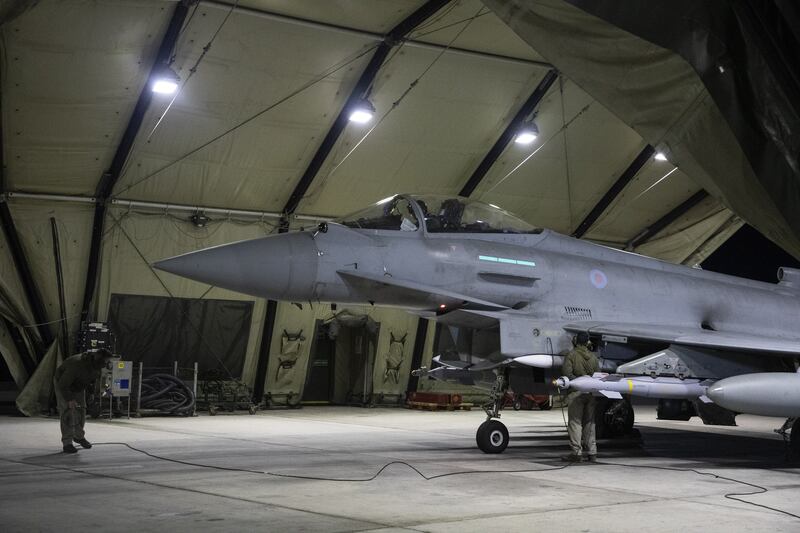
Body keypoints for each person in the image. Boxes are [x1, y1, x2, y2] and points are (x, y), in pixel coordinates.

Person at [54, 348, 114, 453]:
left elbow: (92, 380)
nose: (107, 364)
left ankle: (79, 437)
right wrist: (70, 399)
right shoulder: (76, 364)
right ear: (98, 358)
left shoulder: (97, 365)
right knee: (67, 413)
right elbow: (63, 385)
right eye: (106, 361)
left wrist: (91, 394)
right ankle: (67, 443)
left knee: (82, 410)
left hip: (79, 385)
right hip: (63, 385)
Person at [561, 332, 599, 463]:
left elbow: (567, 374)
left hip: (576, 394)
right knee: (590, 423)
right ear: (588, 342)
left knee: (575, 423)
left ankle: (576, 453)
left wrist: (578, 382)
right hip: (591, 394)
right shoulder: (593, 357)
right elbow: (597, 376)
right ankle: (592, 452)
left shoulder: (571, 355)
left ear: (575, 341)